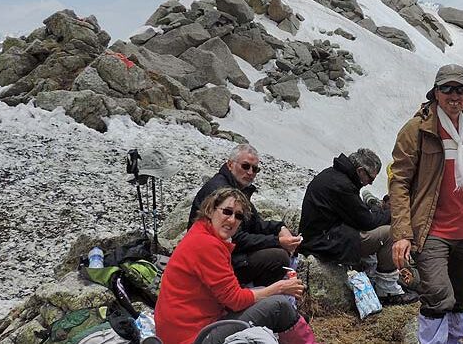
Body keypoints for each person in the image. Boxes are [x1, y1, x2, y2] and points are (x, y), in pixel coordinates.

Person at [389, 64, 463, 344]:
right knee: (437, 296)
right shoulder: (416, 129)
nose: (453, 95)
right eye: (447, 89)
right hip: (432, 230)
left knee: (459, 296)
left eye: (460, 89)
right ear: (435, 93)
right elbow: (399, 182)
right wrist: (402, 234)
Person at [156, 187, 317, 344]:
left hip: (183, 331)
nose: (232, 220)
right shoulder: (207, 245)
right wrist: (279, 288)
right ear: (210, 211)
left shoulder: (201, 233)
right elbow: (235, 300)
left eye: (238, 216)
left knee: (265, 295)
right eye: (227, 212)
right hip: (194, 337)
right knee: (279, 305)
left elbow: (229, 296)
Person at [298, 148, 418, 305]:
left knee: (376, 225)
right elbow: (366, 221)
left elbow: (355, 214)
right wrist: (393, 213)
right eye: (370, 178)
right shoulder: (342, 185)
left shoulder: (332, 175)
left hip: (322, 235)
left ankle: (378, 278)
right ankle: (387, 291)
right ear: (360, 170)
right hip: (324, 241)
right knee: (388, 233)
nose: (371, 182)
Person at [189, 144, 303, 287]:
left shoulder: (237, 189)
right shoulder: (222, 192)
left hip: (229, 252)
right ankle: (252, 294)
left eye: (255, 169)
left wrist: (280, 228)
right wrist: (277, 241)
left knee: (287, 240)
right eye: (245, 166)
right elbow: (234, 237)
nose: (250, 172)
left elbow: (255, 223)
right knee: (278, 257)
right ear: (230, 164)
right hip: (214, 259)